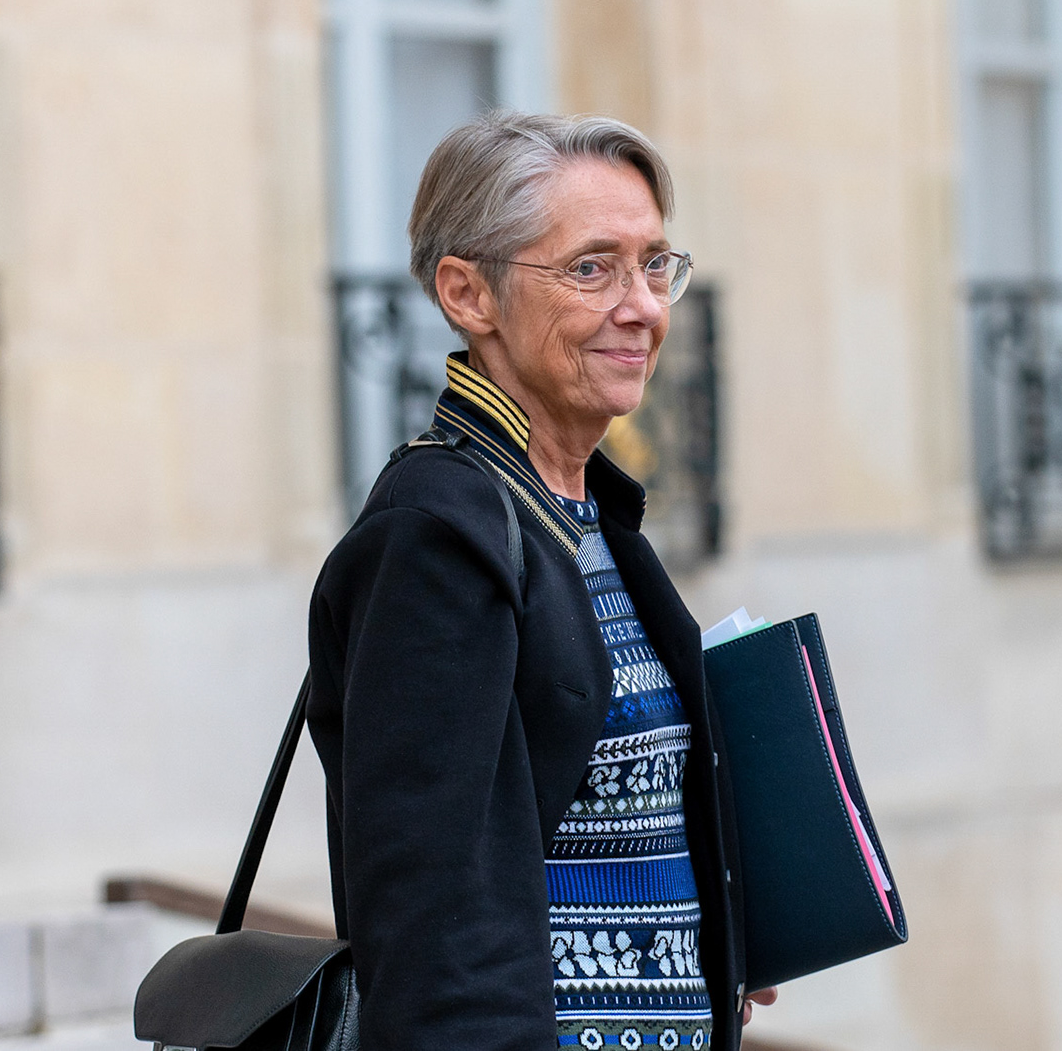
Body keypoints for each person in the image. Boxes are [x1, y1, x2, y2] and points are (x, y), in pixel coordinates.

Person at [307, 110, 777, 1051]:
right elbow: (434, 922)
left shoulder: (588, 517)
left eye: (655, 264)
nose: (642, 305)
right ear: (467, 293)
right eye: (591, 268)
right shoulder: (436, 535)